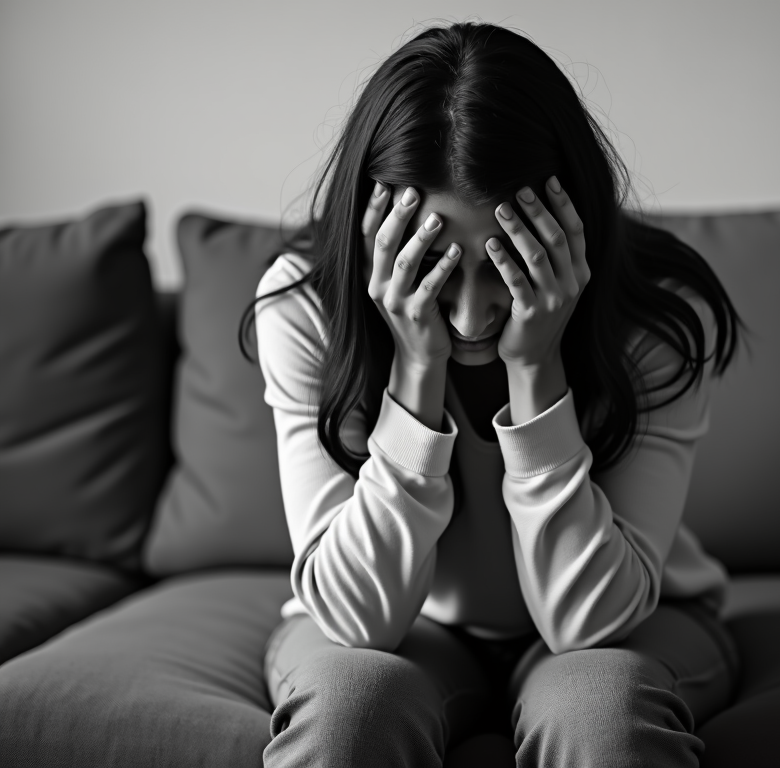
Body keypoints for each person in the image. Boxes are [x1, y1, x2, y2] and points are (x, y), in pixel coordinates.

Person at [240, 19, 746, 768]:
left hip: (636, 615)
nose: (473, 317)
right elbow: (357, 619)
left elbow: (588, 623)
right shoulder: (305, 305)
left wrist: (537, 369)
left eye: (507, 263)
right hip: (408, 629)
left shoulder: (658, 315)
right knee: (349, 719)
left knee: (602, 722)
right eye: (435, 266)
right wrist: (416, 373)